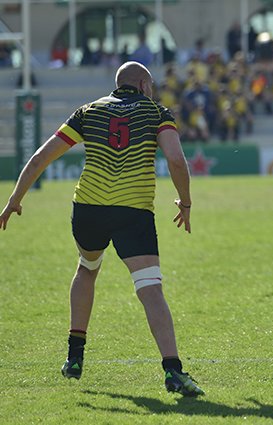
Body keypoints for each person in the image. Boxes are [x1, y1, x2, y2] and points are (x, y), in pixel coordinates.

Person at [0, 61, 204, 397]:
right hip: (132, 212)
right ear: (141, 84)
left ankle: (75, 357)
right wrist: (185, 203)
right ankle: (173, 372)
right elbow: (177, 161)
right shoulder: (157, 112)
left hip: (89, 209)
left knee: (87, 268)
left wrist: (14, 200)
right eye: (150, 85)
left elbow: (40, 158)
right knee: (150, 288)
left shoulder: (88, 111)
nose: (151, 90)